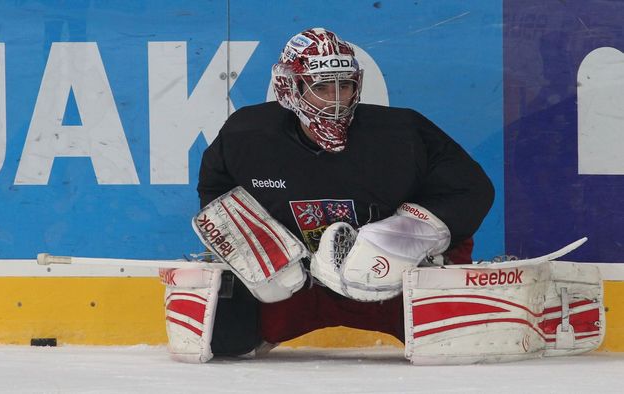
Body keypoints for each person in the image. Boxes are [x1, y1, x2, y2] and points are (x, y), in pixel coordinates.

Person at [195, 27, 494, 358]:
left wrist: (408, 234)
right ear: (288, 87)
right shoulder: (246, 136)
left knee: (452, 343)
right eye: (321, 86)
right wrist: (251, 240)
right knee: (224, 338)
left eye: (345, 85)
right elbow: (215, 188)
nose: (336, 99)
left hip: (390, 284)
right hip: (300, 286)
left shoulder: (404, 134)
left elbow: (471, 190)